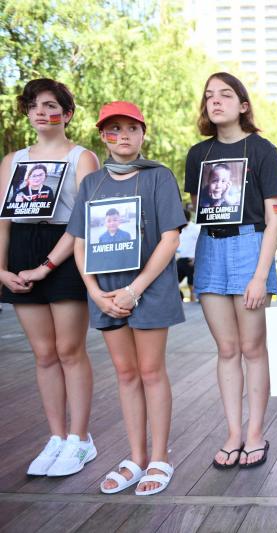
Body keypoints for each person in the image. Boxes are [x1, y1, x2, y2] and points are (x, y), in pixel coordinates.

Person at [67, 101, 186, 494]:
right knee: (125, 373)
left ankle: (159, 458)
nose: (123, 136)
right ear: (104, 136)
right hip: (105, 293)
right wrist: (96, 293)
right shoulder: (92, 184)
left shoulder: (159, 177)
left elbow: (171, 238)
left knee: (151, 372)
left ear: (142, 133)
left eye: (131, 129)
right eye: (114, 130)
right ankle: (135, 457)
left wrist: (135, 289)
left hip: (148, 290)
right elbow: (80, 241)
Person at [0, 78, 100, 478]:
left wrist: (48, 265)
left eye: (49, 105)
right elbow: (4, 220)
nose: (40, 112)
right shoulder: (12, 161)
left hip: (64, 252)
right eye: (33, 106)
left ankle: (81, 439)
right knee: (43, 354)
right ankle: (56, 436)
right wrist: (2, 270)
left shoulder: (82, 158)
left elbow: (83, 221)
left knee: (69, 350)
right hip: (21, 249)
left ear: (67, 113)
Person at [185, 72, 277, 468]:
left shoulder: (263, 150)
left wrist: (260, 275)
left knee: (251, 347)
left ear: (243, 105)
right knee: (226, 349)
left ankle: (256, 433)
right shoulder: (197, 154)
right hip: (211, 246)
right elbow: (201, 209)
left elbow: (273, 219)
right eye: (209, 95)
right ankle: (233, 433)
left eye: (225, 94)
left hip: (250, 245)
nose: (216, 101)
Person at [176, 209, 199, 302]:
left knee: (191, 285)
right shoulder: (178, 230)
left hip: (192, 260)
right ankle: (180, 300)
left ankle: (192, 304)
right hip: (180, 260)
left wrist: (196, 258)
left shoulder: (196, 228)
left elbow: (201, 244)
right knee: (173, 283)